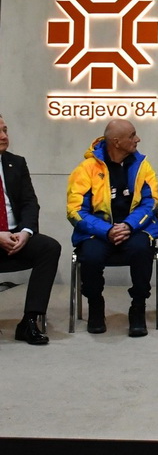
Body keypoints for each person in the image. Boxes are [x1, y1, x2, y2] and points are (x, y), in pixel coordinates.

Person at [67, 119, 158, 337]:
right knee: (90, 256)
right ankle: (95, 307)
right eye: (133, 136)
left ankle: (138, 307)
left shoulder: (142, 166)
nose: (138, 139)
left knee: (142, 250)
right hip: (97, 232)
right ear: (117, 142)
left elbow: (152, 202)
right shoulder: (86, 169)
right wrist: (106, 230)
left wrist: (128, 225)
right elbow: (75, 210)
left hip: (133, 229)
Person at [0, 115, 61, 345]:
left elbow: (29, 203)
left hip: (15, 235)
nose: (5, 136)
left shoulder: (16, 163)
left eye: (6, 130)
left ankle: (29, 321)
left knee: (49, 247)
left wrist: (26, 232)